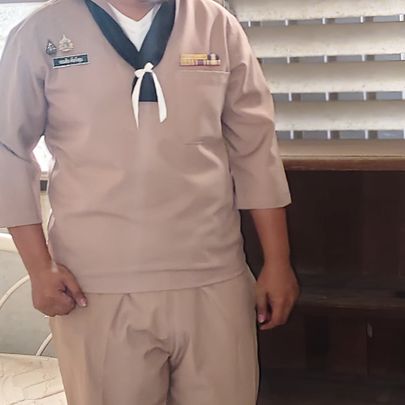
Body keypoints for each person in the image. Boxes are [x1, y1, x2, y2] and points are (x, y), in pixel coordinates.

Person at [0, 0, 300, 403]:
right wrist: (39, 268)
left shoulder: (216, 25)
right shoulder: (42, 32)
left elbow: (255, 147)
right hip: (94, 286)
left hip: (213, 275)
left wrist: (278, 261)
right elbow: (8, 150)